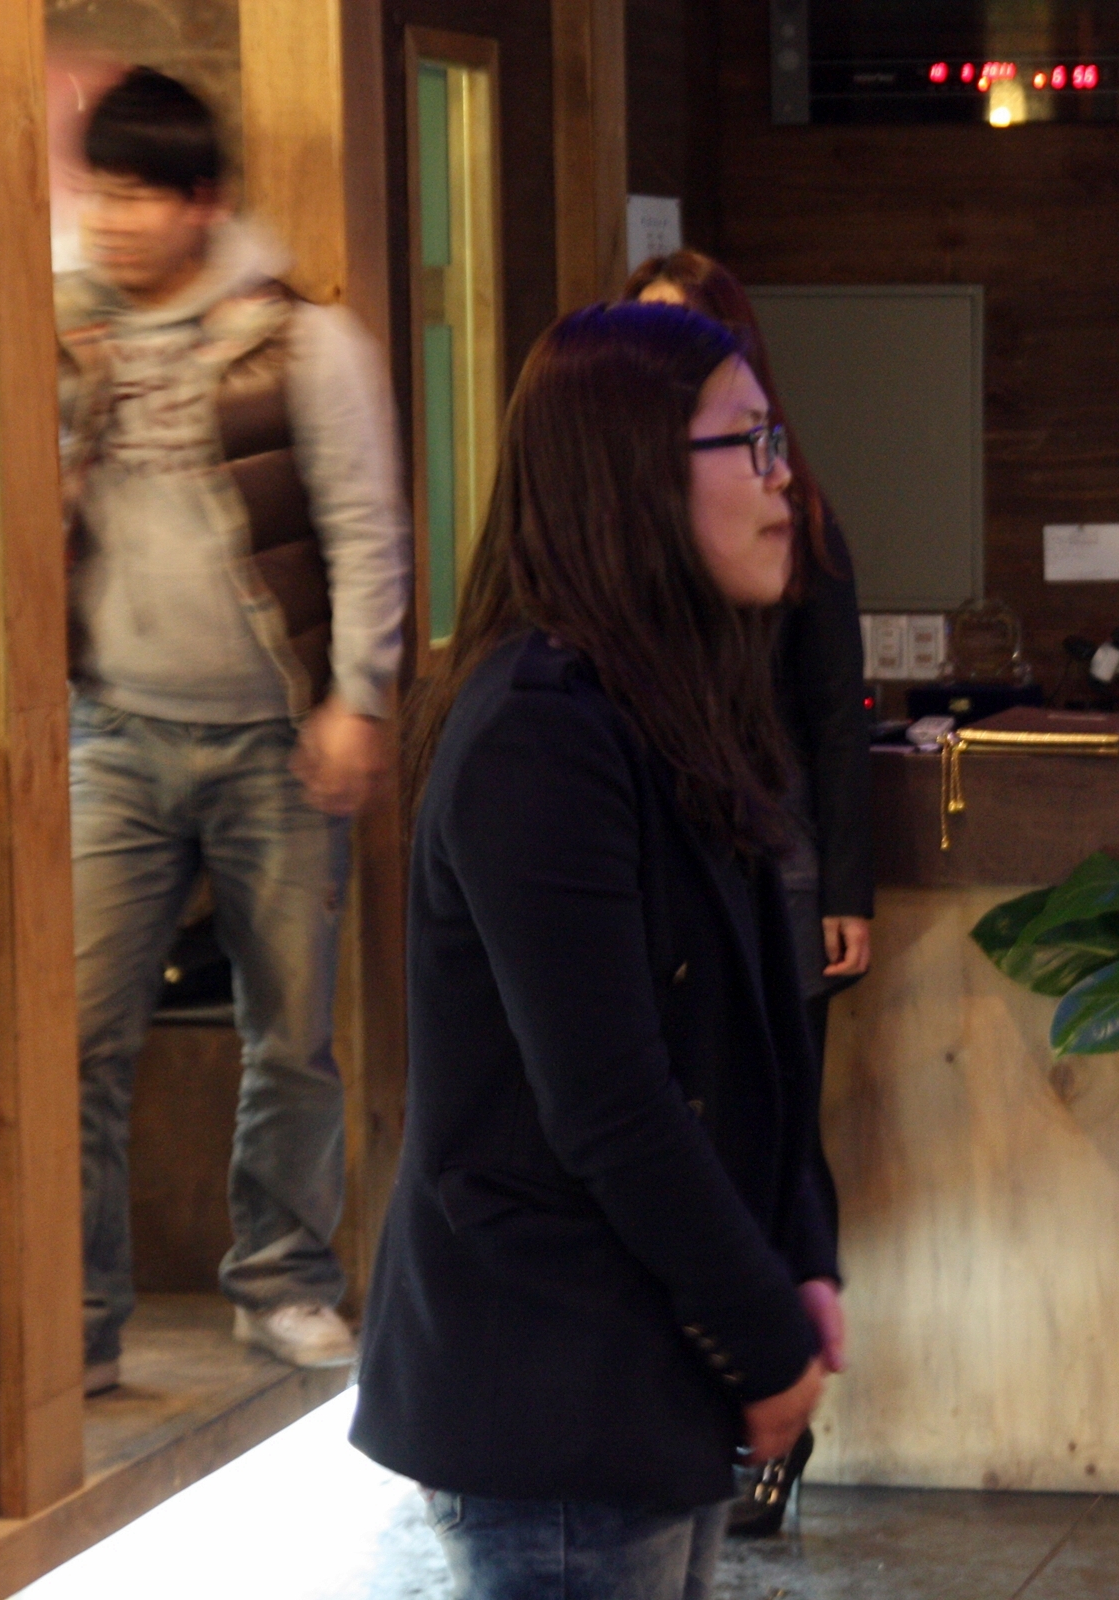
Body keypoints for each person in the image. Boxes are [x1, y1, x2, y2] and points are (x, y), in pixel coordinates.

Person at [349, 302, 843, 1600]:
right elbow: (612, 1100)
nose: (785, 481)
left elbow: (754, 1032)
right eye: (749, 443)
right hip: (548, 1370)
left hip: (645, 1361)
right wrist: (762, 1331)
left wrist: (800, 1252)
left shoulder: (668, 702)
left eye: (778, 438)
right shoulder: (539, 732)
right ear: (631, 476)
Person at [59, 67, 406, 1393]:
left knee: (291, 1034)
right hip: (111, 731)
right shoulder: (53, 330)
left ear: (202, 202)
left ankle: (282, 1280)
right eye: (99, 193)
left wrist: (357, 696)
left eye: (139, 196)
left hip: (274, 740)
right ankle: (78, 1323)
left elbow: (365, 525)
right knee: (76, 1037)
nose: (111, 220)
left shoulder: (301, 342)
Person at [624, 250, 871, 1533]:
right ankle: (709, 1403)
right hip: (675, 850)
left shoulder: (792, 510)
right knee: (678, 1126)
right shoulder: (625, 531)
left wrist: (845, 885)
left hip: (774, 851)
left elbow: (836, 714)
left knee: (774, 1135)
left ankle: (775, 1425)